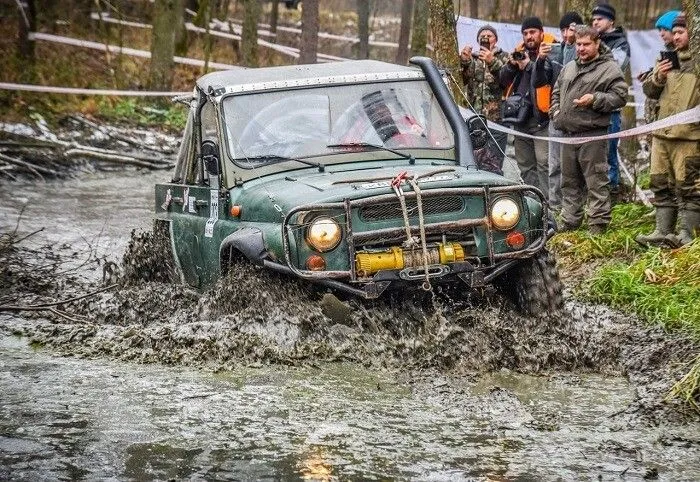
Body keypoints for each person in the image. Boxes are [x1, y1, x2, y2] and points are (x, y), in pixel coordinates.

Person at [550, 25, 627, 235]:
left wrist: (596, 99)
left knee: (596, 180)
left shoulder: (609, 68)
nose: (581, 49)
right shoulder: (569, 67)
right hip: (567, 134)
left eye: (586, 44)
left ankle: (598, 223)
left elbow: (620, 96)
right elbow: (556, 92)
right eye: (578, 44)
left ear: (597, 43)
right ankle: (570, 219)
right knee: (569, 181)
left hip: (592, 133)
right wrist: (555, 112)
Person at [636, 14, 699, 247]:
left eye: (681, 32)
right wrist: (659, 77)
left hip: (689, 136)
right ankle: (662, 230)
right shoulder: (665, 59)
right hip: (662, 133)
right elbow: (650, 91)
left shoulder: (697, 62)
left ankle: (688, 234)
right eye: (675, 32)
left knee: (689, 186)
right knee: (659, 183)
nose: (676, 36)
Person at [499, 16, 556, 197]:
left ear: (541, 32)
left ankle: (550, 204)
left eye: (532, 32)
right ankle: (535, 200)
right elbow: (502, 80)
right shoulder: (518, 53)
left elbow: (546, 76)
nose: (529, 36)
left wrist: (529, 65)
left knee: (545, 164)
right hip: (520, 119)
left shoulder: (551, 50)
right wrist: (511, 65)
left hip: (542, 119)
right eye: (525, 33)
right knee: (525, 165)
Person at [591, 3, 630, 196]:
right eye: (594, 19)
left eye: (600, 19)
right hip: (590, 107)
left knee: (609, 154)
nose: (595, 22)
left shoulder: (620, 42)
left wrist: (598, 45)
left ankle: (612, 194)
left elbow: (615, 67)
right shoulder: (591, 42)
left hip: (610, 107)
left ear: (611, 21)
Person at [460, 25, 509, 174]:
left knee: (494, 161)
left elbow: (506, 80)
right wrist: (465, 62)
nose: (486, 38)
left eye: (490, 35)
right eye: (483, 36)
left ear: (496, 40)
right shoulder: (473, 59)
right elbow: (462, 80)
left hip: (496, 119)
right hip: (474, 117)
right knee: (474, 159)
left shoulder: (504, 57)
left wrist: (492, 61)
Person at [547, 11, 583, 213]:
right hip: (557, 115)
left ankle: (576, 207)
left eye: (571, 28)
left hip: (579, 119)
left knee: (575, 168)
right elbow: (552, 83)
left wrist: (571, 45)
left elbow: (572, 65)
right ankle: (555, 206)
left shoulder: (580, 50)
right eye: (563, 29)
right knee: (555, 166)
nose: (567, 33)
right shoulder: (553, 50)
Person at [638, 10, 680, 126]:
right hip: (656, 121)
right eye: (660, 30)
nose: (661, 34)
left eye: (665, 29)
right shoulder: (666, 55)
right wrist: (652, 75)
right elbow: (650, 91)